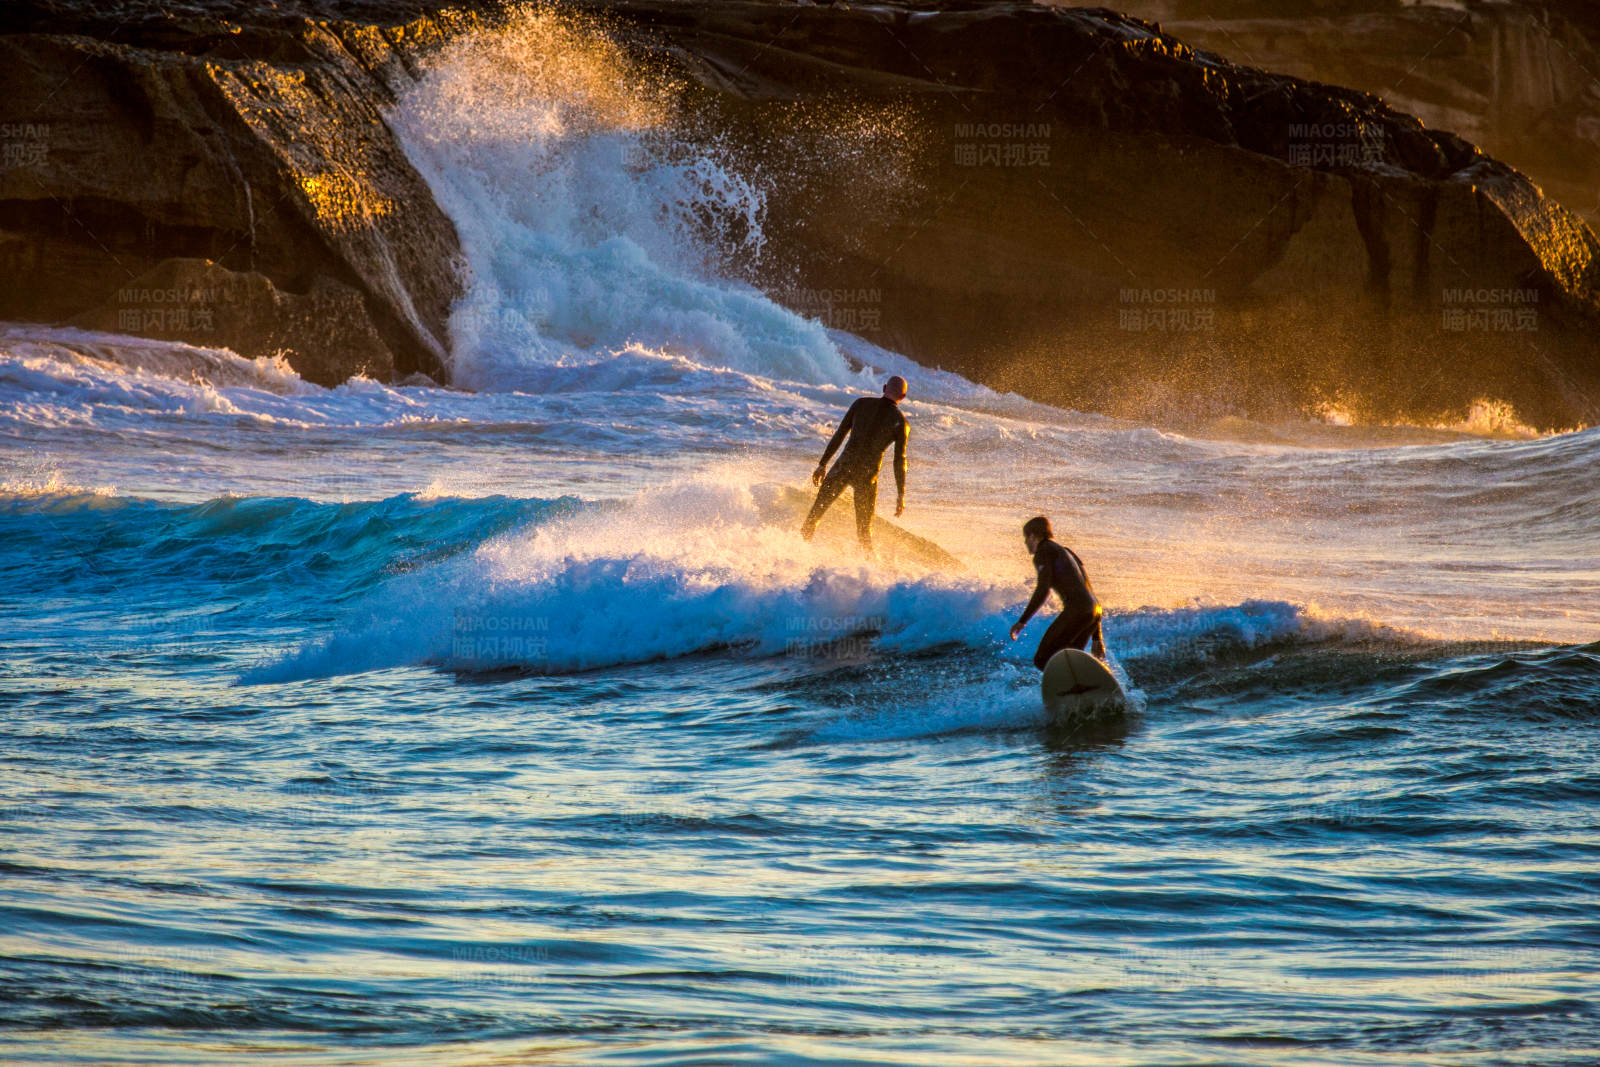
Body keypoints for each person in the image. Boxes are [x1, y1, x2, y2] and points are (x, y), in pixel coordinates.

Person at [800, 376, 909, 553]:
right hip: (867, 477)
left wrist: (822, 464)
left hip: (843, 467)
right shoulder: (901, 422)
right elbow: (899, 460)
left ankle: (795, 562)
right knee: (864, 532)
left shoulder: (861, 405)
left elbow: (840, 434)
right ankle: (871, 575)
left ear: (883, 387)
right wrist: (900, 494)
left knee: (813, 518)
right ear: (903, 397)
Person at [1009, 515, 1106, 669]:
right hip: (1093, 611)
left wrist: (1023, 621)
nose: (1025, 542)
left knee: (1042, 659)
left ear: (1033, 536)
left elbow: (1043, 589)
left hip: (1077, 611)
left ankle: (1067, 689)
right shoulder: (1066, 552)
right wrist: (1097, 638)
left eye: (1026, 537)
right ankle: (1080, 688)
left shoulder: (1043, 551)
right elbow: (1091, 594)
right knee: (1070, 659)